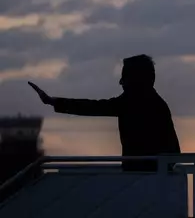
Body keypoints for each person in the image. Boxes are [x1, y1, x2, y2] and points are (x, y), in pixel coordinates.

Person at [28, 54, 181, 172]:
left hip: (141, 178)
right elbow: (174, 151)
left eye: (125, 78)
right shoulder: (157, 104)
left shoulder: (134, 102)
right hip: (151, 178)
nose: (121, 83)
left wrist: (53, 101)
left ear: (135, 80)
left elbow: (93, 107)